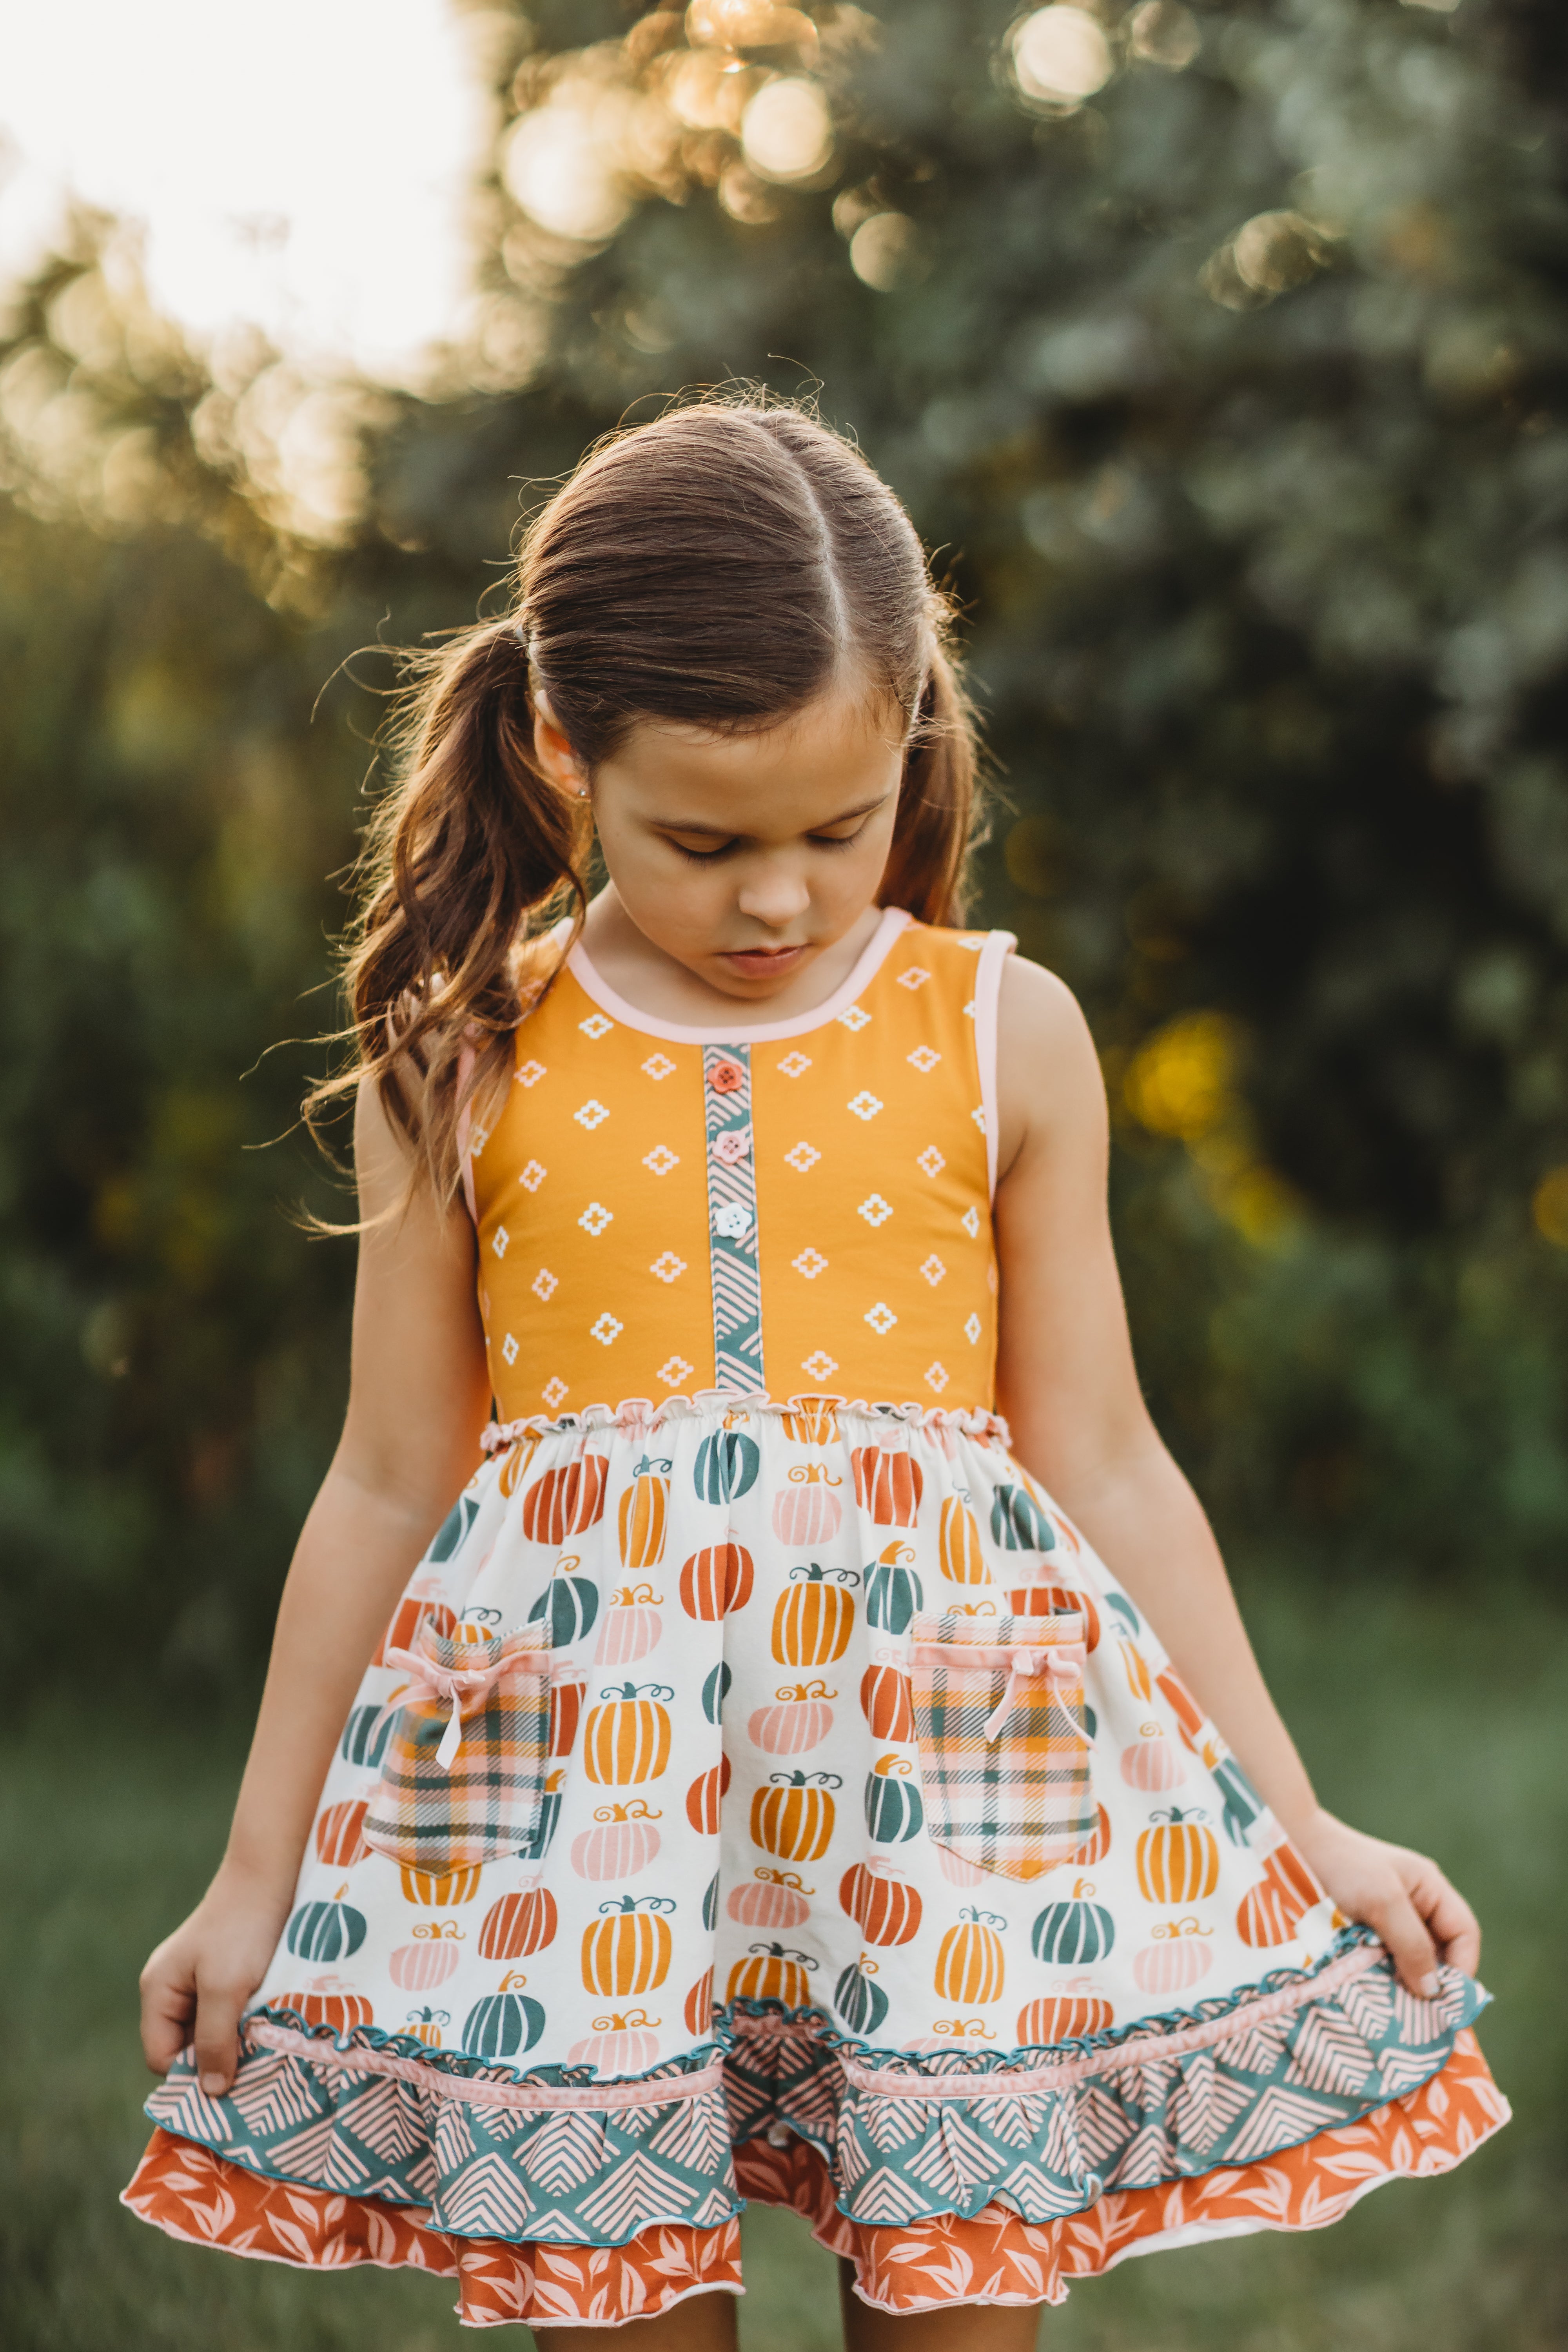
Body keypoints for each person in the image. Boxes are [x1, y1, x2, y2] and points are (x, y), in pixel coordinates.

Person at [126, 398, 1507, 2340]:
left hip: (937, 1822)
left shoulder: (1001, 1033)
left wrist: (1306, 1820)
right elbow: (384, 1480)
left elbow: (1104, 1461)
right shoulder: (465, 1057)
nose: (779, 898)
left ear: (912, 743)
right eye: (704, 838)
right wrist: (252, 1878)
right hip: (580, 1845)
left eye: (837, 830)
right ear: (561, 752)